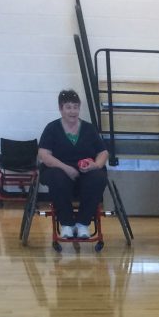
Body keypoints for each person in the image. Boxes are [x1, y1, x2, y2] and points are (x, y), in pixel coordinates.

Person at [38, 90, 109, 240]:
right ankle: (67, 224)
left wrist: (95, 165)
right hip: (59, 169)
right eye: (68, 107)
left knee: (99, 177)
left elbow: (103, 153)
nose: (73, 111)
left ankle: (83, 223)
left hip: (85, 170)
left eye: (75, 107)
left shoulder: (89, 129)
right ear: (61, 109)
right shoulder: (52, 128)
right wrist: (67, 169)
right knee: (57, 178)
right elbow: (44, 155)